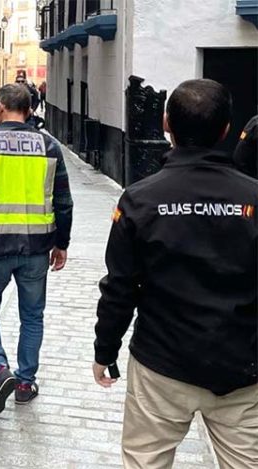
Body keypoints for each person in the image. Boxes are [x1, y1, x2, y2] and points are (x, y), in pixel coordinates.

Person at [93, 79, 258, 468]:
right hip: (242, 367)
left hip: (162, 365)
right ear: (226, 130)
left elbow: (120, 287)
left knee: (145, 461)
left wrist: (105, 350)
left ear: (166, 123)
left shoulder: (140, 200)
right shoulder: (253, 199)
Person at [0, 84, 74, 416]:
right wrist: (61, 243)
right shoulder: (49, 146)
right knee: (32, 316)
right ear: (30, 109)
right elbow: (64, 201)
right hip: (37, 247)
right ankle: (25, 383)